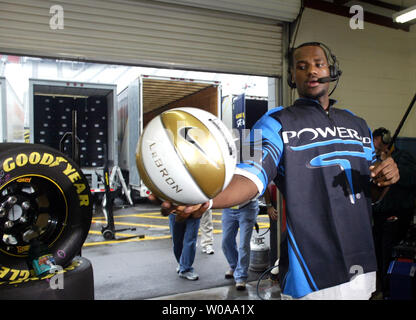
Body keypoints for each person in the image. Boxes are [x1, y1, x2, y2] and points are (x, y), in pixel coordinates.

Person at [152, 42, 400, 300]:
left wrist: (386, 179)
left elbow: (371, 191)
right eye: (301, 67)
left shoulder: (358, 124)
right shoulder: (271, 122)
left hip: (362, 264)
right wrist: (206, 197)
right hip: (310, 275)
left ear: (332, 69)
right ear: (292, 76)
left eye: (318, 64)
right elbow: (248, 175)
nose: (311, 72)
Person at [371, 127, 416, 298]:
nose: (374, 144)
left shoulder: (403, 158)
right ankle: (380, 287)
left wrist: (393, 166)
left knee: (387, 253)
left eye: (376, 140)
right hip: (378, 217)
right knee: (377, 253)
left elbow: (412, 177)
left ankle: (389, 291)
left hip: (396, 216)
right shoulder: (373, 160)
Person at [221, 199, 259, 290]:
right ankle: (234, 266)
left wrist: (269, 205)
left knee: (243, 244)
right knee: (226, 241)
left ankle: (241, 276)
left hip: (247, 207)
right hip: (228, 208)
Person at [166, 210, 201, 281]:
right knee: (177, 241)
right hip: (175, 212)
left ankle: (185, 268)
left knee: (190, 240)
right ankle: (181, 263)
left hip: (194, 213)